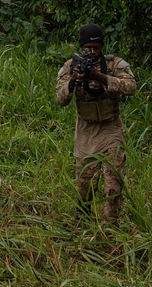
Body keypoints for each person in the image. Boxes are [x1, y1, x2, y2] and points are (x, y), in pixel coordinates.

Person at [55, 23, 137, 223]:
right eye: (87, 49)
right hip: (86, 130)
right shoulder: (70, 66)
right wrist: (73, 81)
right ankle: (82, 224)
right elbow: (59, 99)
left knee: (114, 182)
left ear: (102, 47)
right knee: (85, 185)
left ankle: (110, 225)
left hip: (111, 127)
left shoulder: (114, 64)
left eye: (96, 48)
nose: (91, 52)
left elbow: (131, 86)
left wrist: (100, 77)